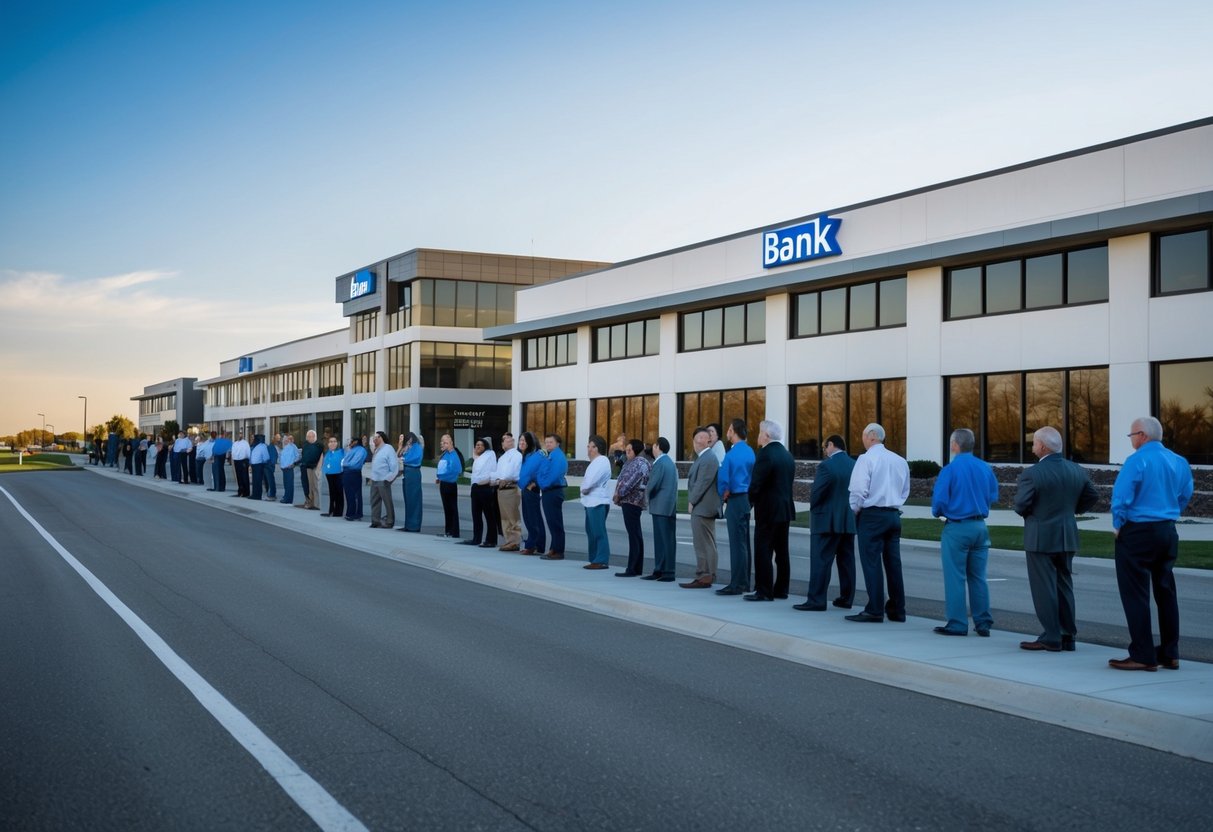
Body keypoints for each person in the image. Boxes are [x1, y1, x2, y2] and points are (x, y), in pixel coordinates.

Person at [1108, 416, 1194, 671]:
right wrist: (1170, 512)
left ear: (1142, 435)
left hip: (1138, 531)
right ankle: (1170, 652)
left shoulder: (1137, 460)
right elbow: (1185, 493)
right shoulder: (1179, 461)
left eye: (1132, 435)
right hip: (1167, 530)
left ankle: (1143, 654)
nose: (1131, 440)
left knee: (1135, 593)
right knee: (1166, 591)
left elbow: (1122, 495)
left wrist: (1118, 523)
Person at [1013, 426, 1099, 652]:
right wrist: (1072, 510)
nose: (1032, 448)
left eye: (1034, 444)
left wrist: (1034, 515)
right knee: (1064, 586)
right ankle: (1067, 635)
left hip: (1040, 537)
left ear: (1041, 446)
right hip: (1067, 535)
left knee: (1044, 588)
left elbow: (1020, 505)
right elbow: (1092, 495)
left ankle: (1051, 636)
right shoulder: (1076, 470)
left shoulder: (1032, 474)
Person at [930, 428, 1000, 637]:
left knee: (955, 577)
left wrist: (940, 512)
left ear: (955, 445)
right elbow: (993, 495)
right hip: (980, 527)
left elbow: (939, 503)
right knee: (978, 577)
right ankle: (983, 623)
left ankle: (958, 623)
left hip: (957, 527)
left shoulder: (950, 470)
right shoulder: (984, 467)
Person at [846, 423, 910, 623]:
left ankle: (874, 608)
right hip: (893, 514)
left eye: (864, 436)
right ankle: (898, 609)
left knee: (871, 562)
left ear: (872, 436)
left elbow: (858, 489)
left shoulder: (866, 459)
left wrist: (856, 509)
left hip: (872, 515)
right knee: (893, 564)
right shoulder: (900, 461)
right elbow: (904, 490)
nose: (862, 440)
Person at [796, 434, 858, 611]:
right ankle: (847, 598)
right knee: (847, 562)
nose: (824, 451)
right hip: (847, 520)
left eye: (825, 447)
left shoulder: (826, 466)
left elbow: (816, 494)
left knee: (821, 561)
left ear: (831, 445)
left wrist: (814, 509)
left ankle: (817, 599)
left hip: (827, 521)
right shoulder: (854, 465)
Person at [747, 420, 795, 601]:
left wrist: (749, 503)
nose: (758, 436)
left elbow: (756, 483)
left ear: (766, 436)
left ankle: (764, 590)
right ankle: (782, 589)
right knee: (782, 551)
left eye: (760, 432)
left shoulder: (766, 454)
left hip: (768, 509)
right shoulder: (787, 455)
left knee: (763, 549)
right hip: (784, 509)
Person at [716, 418, 755, 596]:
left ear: (734, 431)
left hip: (735, 499)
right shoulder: (750, 452)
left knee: (736, 544)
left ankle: (737, 583)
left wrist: (724, 493)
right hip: (746, 499)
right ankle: (745, 582)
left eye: (729, 430)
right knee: (744, 543)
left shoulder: (730, 455)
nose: (727, 433)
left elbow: (723, 479)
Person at [681, 427, 721, 589]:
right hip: (702, 507)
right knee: (703, 543)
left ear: (709, 441)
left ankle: (706, 575)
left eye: (704, 438)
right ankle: (704, 574)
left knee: (705, 543)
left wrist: (691, 501)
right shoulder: (702, 458)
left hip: (703, 507)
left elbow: (702, 483)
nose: (700, 441)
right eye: (697, 438)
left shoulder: (709, 458)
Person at [613, 439, 650, 577]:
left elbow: (629, 482)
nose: (627, 453)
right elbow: (622, 479)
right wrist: (618, 493)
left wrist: (619, 494)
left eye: (629, 451)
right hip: (628, 501)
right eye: (626, 450)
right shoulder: (632, 463)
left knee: (634, 535)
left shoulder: (640, 463)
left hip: (633, 502)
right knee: (635, 535)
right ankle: (635, 567)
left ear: (636, 450)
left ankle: (632, 568)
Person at [644, 437, 678, 582]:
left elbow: (653, 484)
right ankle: (665, 570)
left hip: (660, 507)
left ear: (658, 446)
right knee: (668, 540)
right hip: (668, 506)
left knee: (661, 541)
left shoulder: (659, 463)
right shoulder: (670, 462)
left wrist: (645, 496)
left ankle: (663, 570)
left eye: (654, 445)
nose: (652, 448)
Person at [581, 435, 613, 570]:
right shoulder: (594, 463)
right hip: (590, 502)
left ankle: (601, 560)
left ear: (599, 447)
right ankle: (594, 558)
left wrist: (584, 488)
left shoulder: (602, 461)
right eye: (588, 446)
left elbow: (590, 482)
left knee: (598, 532)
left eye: (592, 446)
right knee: (591, 531)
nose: (589, 449)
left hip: (597, 502)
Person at [463, 436, 499, 546]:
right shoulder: (479, 458)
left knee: (489, 515)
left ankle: (491, 540)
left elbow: (492, 470)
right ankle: (476, 538)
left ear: (485, 447)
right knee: (476, 515)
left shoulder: (490, 455)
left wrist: (487, 481)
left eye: (480, 445)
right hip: (475, 487)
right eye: (476, 445)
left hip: (484, 487)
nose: (478, 447)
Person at [538, 434, 568, 560]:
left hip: (553, 491)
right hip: (549, 491)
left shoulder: (558, 456)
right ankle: (553, 548)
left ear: (557, 443)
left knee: (555, 522)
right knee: (551, 522)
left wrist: (543, 484)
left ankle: (558, 551)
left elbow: (554, 475)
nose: (548, 444)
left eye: (550, 442)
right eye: (546, 442)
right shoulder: (551, 455)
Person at [518, 432, 546, 555]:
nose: (522, 443)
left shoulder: (536, 455)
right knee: (533, 518)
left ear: (530, 443)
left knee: (532, 519)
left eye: (524, 441)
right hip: (524, 489)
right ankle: (539, 545)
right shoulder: (525, 456)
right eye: (520, 441)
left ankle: (531, 545)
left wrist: (534, 483)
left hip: (531, 490)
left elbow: (542, 470)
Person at [495, 432, 523, 550]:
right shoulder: (502, 458)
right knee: (504, 517)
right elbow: (498, 472)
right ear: (502, 444)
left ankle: (515, 541)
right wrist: (497, 479)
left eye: (510, 439)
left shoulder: (517, 455)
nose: (508, 441)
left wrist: (505, 479)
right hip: (501, 489)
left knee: (512, 516)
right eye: (505, 439)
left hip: (511, 487)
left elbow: (514, 471)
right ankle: (508, 540)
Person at [368, 430, 399, 529]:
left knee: (387, 501)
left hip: (384, 479)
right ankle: (375, 520)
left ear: (380, 438)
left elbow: (394, 465)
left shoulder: (388, 448)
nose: (373, 440)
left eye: (375, 438)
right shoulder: (377, 449)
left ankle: (390, 521)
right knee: (374, 501)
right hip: (375, 479)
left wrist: (389, 478)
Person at [435, 434, 462, 538]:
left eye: (445, 442)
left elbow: (457, 470)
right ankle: (448, 530)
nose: (442, 444)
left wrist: (444, 477)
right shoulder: (445, 454)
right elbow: (443, 467)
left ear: (451, 444)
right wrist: (439, 477)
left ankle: (454, 531)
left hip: (450, 485)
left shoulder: (453, 455)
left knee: (452, 508)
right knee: (447, 508)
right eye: (442, 441)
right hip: (444, 484)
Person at [397, 432, 424, 531]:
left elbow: (415, 458)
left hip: (413, 472)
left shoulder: (417, 447)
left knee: (414, 499)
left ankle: (414, 525)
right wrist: (400, 446)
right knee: (408, 499)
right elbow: (398, 456)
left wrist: (403, 459)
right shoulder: (408, 447)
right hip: (407, 473)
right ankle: (408, 524)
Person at [340, 436, 368, 521]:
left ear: (355, 442)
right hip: (347, 473)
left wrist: (344, 464)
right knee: (349, 494)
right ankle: (350, 512)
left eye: (351, 441)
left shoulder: (361, 450)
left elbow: (354, 463)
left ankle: (356, 514)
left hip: (353, 473)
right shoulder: (352, 450)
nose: (349, 443)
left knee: (355, 494)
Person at [299, 430, 323, 510]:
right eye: (309, 436)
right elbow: (303, 455)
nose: (310, 438)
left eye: (312, 436)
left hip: (316, 468)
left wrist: (319, 468)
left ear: (315, 437)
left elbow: (322, 457)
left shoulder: (319, 445)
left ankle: (317, 505)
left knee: (316, 486)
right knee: (309, 487)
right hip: (307, 468)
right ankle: (310, 503)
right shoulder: (305, 445)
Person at [321, 436, 344, 517]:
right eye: (331, 441)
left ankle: (338, 512)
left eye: (334, 441)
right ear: (328, 444)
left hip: (338, 474)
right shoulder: (327, 453)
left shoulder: (341, 451)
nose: (332, 443)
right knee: (332, 493)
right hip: (329, 474)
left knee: (339, 493)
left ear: (337, 443)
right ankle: (331, 510)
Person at [278, 433, 300, 505]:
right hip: (284, 469)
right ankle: (286, 497)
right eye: (284, 439)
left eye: (286, 439)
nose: (285, 441)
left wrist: (293, 464)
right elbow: (281, 458)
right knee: (286, 484)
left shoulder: (293, 446)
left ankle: (288, 499)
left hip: (289, 468)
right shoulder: (284, 447)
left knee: (289, 484)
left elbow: (298, 456)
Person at [249, 434, 269, 500]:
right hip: (254, 465)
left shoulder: (263, 446)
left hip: (259, 465)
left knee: (258, 480)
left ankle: (257, 495)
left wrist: (262, 461)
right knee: (255, 480)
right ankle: (254, 494)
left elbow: (266, 457)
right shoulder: (255, 445)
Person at [231, 432, 251, 497]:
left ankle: (246, 492)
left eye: (240, 435)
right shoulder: (235, 443)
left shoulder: (245, 443)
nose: (239, 436)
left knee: (244, 477)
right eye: (237, 435)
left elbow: (248, 452)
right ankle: (240, 490)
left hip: (243, 461)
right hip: (237, 461)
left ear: (242, 436)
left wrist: (248, 461)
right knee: (238, 477)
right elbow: (233, 452)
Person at [263, 433, 279, 499]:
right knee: (270, 480)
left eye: (278, 438)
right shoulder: (271, 446)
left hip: (269, 466)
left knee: (270, 480)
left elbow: (273, 458)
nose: (278, 440)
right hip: (269, 465)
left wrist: (271, 464)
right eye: (277, 438)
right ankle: (271, 493)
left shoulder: (271, 447)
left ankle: (272, 494)